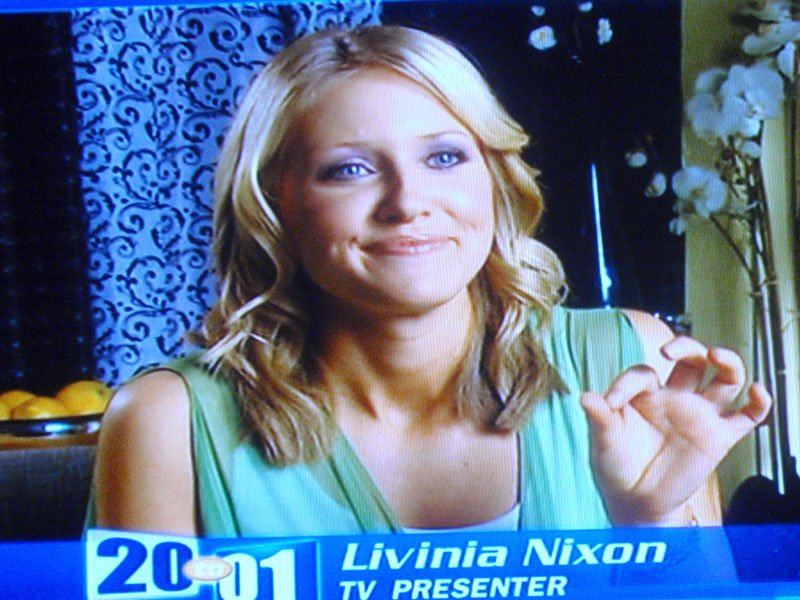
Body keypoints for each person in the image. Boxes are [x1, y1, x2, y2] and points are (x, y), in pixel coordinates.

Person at [92, 25, 771, 537]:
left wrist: (650, 523)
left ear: (495, 181)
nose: (408, 202)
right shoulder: (166, 422)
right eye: (349, 170)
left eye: (444, 157)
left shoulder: (629, 362)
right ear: (272, 205)